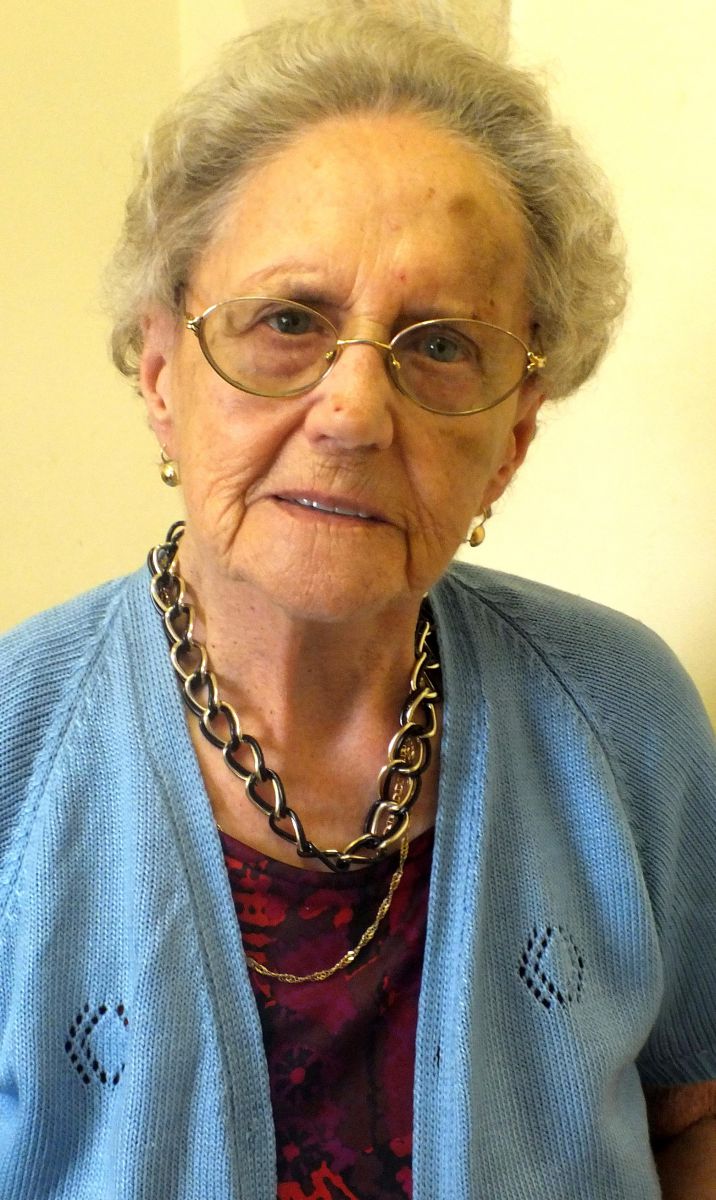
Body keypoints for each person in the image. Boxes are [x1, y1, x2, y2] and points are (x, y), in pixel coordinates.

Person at [1, 5, 715, 1198]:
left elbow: (694, 1116)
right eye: (288, 321)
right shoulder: (15, 743)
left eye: (438, 345)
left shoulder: (622, 714)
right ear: (163, 375)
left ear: (510, 438)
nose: (352, 413)